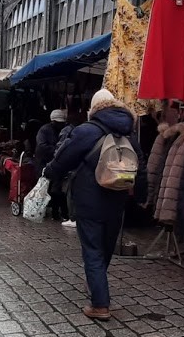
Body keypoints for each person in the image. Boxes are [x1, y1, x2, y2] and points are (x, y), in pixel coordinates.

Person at [44, 89, 145, 321]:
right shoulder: (129, 133)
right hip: (117, 199)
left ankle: (100, 304)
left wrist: (48, 173)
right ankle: (96, 283)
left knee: (92, 249)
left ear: (94, 109)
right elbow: (141, 166)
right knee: (105, 246)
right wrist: (141, 196)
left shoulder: (86, 131)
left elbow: (63, 158)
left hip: (90, 199)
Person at [35, 109, 69, 221]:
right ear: (52, 121)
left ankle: (57, 212)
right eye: (57, 122)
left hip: (56, 163)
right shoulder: (44, 130)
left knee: (56, 188)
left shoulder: (64, 130)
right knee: (47, 188)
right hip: (45, 162)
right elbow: (41, 146)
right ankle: (45, 210)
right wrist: (57, 150)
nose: (60, 124)